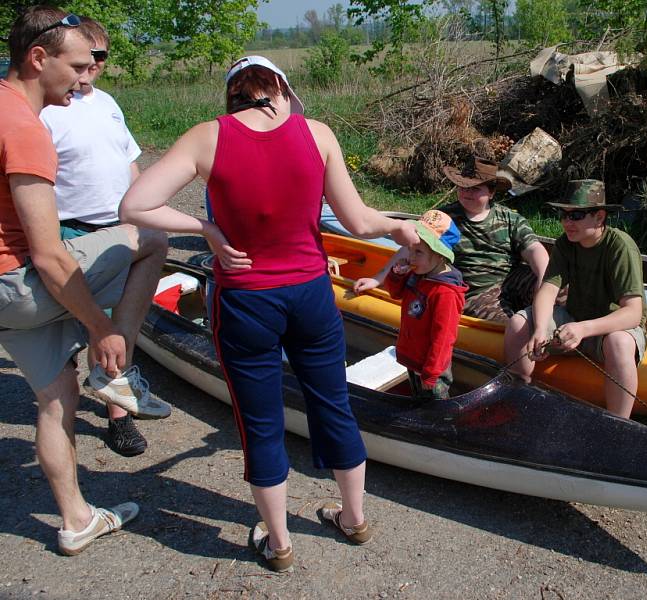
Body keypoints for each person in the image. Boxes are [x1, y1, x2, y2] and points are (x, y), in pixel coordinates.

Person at [119, 55, 420, 572]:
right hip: (310, 296)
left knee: (260, 423)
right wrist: (397, 227)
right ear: (280, 89)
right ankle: (354, 519)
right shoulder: (317, 134)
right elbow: (356, 218)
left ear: (233, 94)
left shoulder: (206, 137)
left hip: (246, 301)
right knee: (332, 404)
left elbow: (135, 205)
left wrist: (207, 231)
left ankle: (279, 545)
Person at [0, 6, 169, 555]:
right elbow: (49, 258)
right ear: (38, 57)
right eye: (76, 65)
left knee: (56, 398)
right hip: (17, 285)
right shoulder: (25, 128)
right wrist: (102, 329)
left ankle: (76, 520)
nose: (84, 76)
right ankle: (118, 371)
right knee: (151, 241)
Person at [40, 16, 154, 457]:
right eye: (87, 57)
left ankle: (117, 415)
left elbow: (128, 160)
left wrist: (143, 207)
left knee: (110, 322)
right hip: (70, 228)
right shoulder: (48, 109)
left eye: (101, 57)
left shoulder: (107, 103)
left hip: (116, 226)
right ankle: (61, 407)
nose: (93, 66)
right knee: (82, 322)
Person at [354, 155, 550, 378]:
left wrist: (544, 284)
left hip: (511, 279)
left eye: (475, 189)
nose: (467, 193)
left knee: (557, 288)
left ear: (492, 192)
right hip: (477, 291)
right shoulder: (444, 219)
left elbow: (535, 251)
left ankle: (570, 330)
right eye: (462, 187)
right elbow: (412, 245)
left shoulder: (509, 218)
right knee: (513, 327)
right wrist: (379, 278)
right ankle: (523, 367)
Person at [507, 180, 647, 419]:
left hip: (609, 328)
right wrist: (540, 329)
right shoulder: (565, 244)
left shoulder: (620, 247)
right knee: (518, 323)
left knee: (619, 343)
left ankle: (619, 426)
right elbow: (548, 289)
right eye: (563, 215)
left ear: (599, 216)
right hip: (574, 319)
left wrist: (584, 329)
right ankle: (519, 404)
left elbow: (633, 312)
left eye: (576, 215)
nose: (567, 222)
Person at [382, 210, 467, 400]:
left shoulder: (445, 293)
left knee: (434, 406)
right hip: (412, 358)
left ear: (439, 256)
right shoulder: (419, 274)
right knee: (416, 397)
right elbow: (395, 293)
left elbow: (444, 337)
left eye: (418, 252)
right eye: (411, 249)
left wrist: (431, 373)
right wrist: (396, 274)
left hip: (432, 368)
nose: (411, 257)